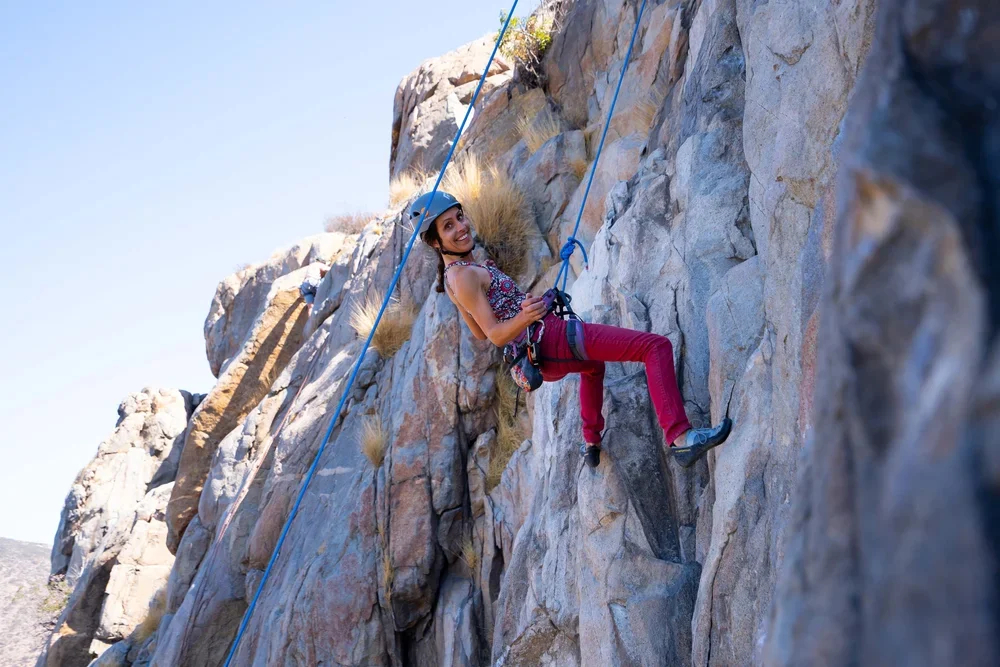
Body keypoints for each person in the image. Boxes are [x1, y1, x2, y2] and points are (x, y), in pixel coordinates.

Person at [412, 191, 732, 469]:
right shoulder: (464, 277)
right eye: (448, 226)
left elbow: (480, 332)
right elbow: (495, 335)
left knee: (593, 366)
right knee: (655, 347)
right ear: (435, 241)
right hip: (549, 340)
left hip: (540, 354)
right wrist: (526, 317)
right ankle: (681, 438)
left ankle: (591, 442)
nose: (461, 227)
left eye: (459, 217)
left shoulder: (454, 278)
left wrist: (526, 313)